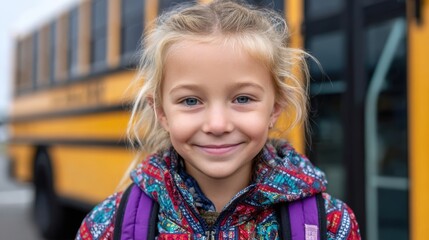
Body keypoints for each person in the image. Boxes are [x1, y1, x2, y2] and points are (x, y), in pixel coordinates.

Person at [76, 0, 360, 239]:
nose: (217, 125)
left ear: (275, 108)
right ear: (161, 112)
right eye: (190, 101)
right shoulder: (109, 225)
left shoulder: (328, 225)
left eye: (242, 99)